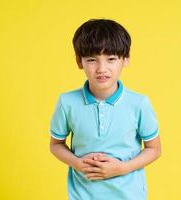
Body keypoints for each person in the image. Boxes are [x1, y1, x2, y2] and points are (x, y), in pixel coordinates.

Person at [49, 18, 162, 200]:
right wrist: (77, 163)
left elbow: (154, 149)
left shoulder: (139, 103)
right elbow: (55, 144)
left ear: (125, 60)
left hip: (129, 195)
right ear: (80, 62)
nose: (102, 69)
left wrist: (122, 168)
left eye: (111, 59)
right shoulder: (67, 102)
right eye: (92, 60)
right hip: (82, 195)